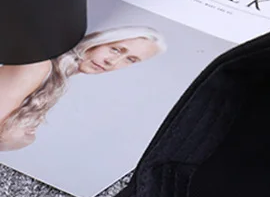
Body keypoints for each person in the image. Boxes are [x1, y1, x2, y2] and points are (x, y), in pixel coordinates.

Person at [0, 26, 166, 151]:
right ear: (98, 41)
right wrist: (22, 137)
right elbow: (6, 135)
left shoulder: (55, 78)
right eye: (115, 49)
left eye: (130, 60)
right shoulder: (38, 67)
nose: (112, 62)